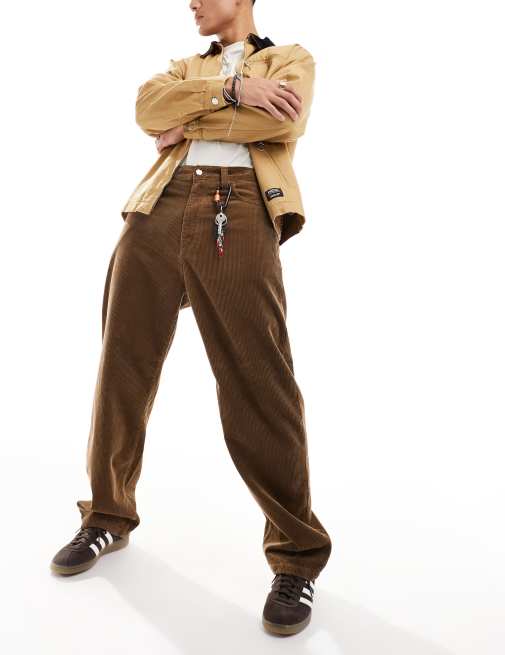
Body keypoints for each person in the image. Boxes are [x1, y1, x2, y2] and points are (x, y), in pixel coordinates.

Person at [50, 0, 332, 636]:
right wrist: (231, 91)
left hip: (240, 207)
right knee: (123, 365)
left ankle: (297, 555)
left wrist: (191, 118)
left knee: (259, 380)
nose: (192, 3)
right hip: (158, 208)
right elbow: (148, 108)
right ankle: (106, 516)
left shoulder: (290, 59)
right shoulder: (182, 66)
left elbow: (282, 121)